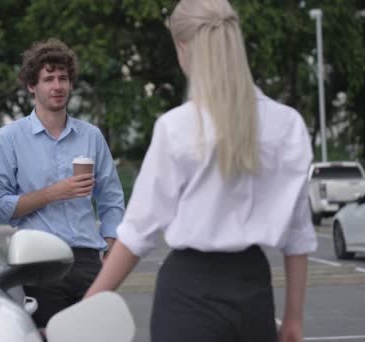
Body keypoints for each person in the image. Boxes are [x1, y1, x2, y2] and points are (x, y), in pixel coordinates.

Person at [84, 1, 317, 342]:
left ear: (184, 46)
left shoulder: (177, 127)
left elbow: (137, 234)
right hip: (254, 293)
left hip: (187, 296)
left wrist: (88, 305)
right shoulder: (288, 125)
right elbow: (298, 235)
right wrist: (294, 318)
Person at [0, 38, 125, 329]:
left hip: (88, 262)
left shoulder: (91, 136)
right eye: (48, 79)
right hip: (39, 262)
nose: (57, 86)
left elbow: (111, 199)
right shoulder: (8, 139)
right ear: (31, 86)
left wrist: (109, 247)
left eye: (63, 78)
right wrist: (52, 193)